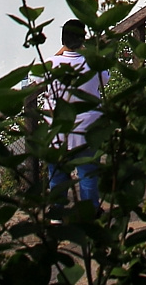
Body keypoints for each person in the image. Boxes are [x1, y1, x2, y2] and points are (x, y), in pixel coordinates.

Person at [41, 19, 107, 206]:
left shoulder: (50, 64)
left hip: (57, 132)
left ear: (63, 41)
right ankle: (90, 213)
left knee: (57, 178)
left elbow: (38, 81)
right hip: (88, 131)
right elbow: (105, 79)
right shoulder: (94, 64)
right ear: (83, 39)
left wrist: (60, 52)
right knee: (88, 175)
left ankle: (57, 215)